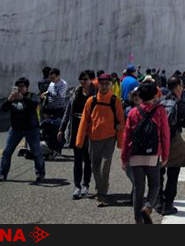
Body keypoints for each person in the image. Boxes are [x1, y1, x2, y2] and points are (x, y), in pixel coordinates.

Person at [121, 82, 170, 224]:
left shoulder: (133, 112)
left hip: (136, 155)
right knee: (155, 184)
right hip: (153, 155)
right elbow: (165, 135)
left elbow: (126, 137)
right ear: (155, 96)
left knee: (138, 188)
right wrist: (165, 155)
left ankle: (138, 220)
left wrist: (124, 157)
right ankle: (148, 207)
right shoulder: (160, 111)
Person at [76, 73, 124, 206]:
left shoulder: (115, 101)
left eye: (107, 84)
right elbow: (84, 121)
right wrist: (79, 141)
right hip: (93, 139)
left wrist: (120, 142)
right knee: (95, 167)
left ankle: (102, 193)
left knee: (105, 167)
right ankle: (101, 187)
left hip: (109, 139)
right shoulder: (91, 101)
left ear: (111, 85)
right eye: (101, 84)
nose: (104, 86)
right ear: (98, 85)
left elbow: (121, 122)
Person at [158, 76, 185, 215]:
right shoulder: (180, 103)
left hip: (160, 140)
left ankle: (158, 202)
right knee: (173, 172)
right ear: (178, 86)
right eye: (181, 85)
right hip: (173, 140)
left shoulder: (160, 101)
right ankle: (168, 204)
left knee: (159, 172)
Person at [0, 77, 45, 183]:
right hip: (16, 129)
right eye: (18, 86)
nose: (19, 89)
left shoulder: (32, 96)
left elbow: (34, 105)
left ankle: (40, 174)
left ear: (26, 88)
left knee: (36, 152)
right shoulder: (13, 98)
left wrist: (22, 98)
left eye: (22, 87)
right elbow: (3, 109)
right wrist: (9, 100)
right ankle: (2, 174)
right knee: (6, 152)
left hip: (31, 129)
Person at [59, 71, 96, 199]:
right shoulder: (75, 93)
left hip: (90, 130)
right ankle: (77, 186)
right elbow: (67, 112)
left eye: (85, 79)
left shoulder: (95, 94)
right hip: (76, 129)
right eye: (81, 79)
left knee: (88, 160)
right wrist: (61, 129)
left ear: (90, 80)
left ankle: (86, 184)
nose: (83, 82)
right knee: (77, 160)